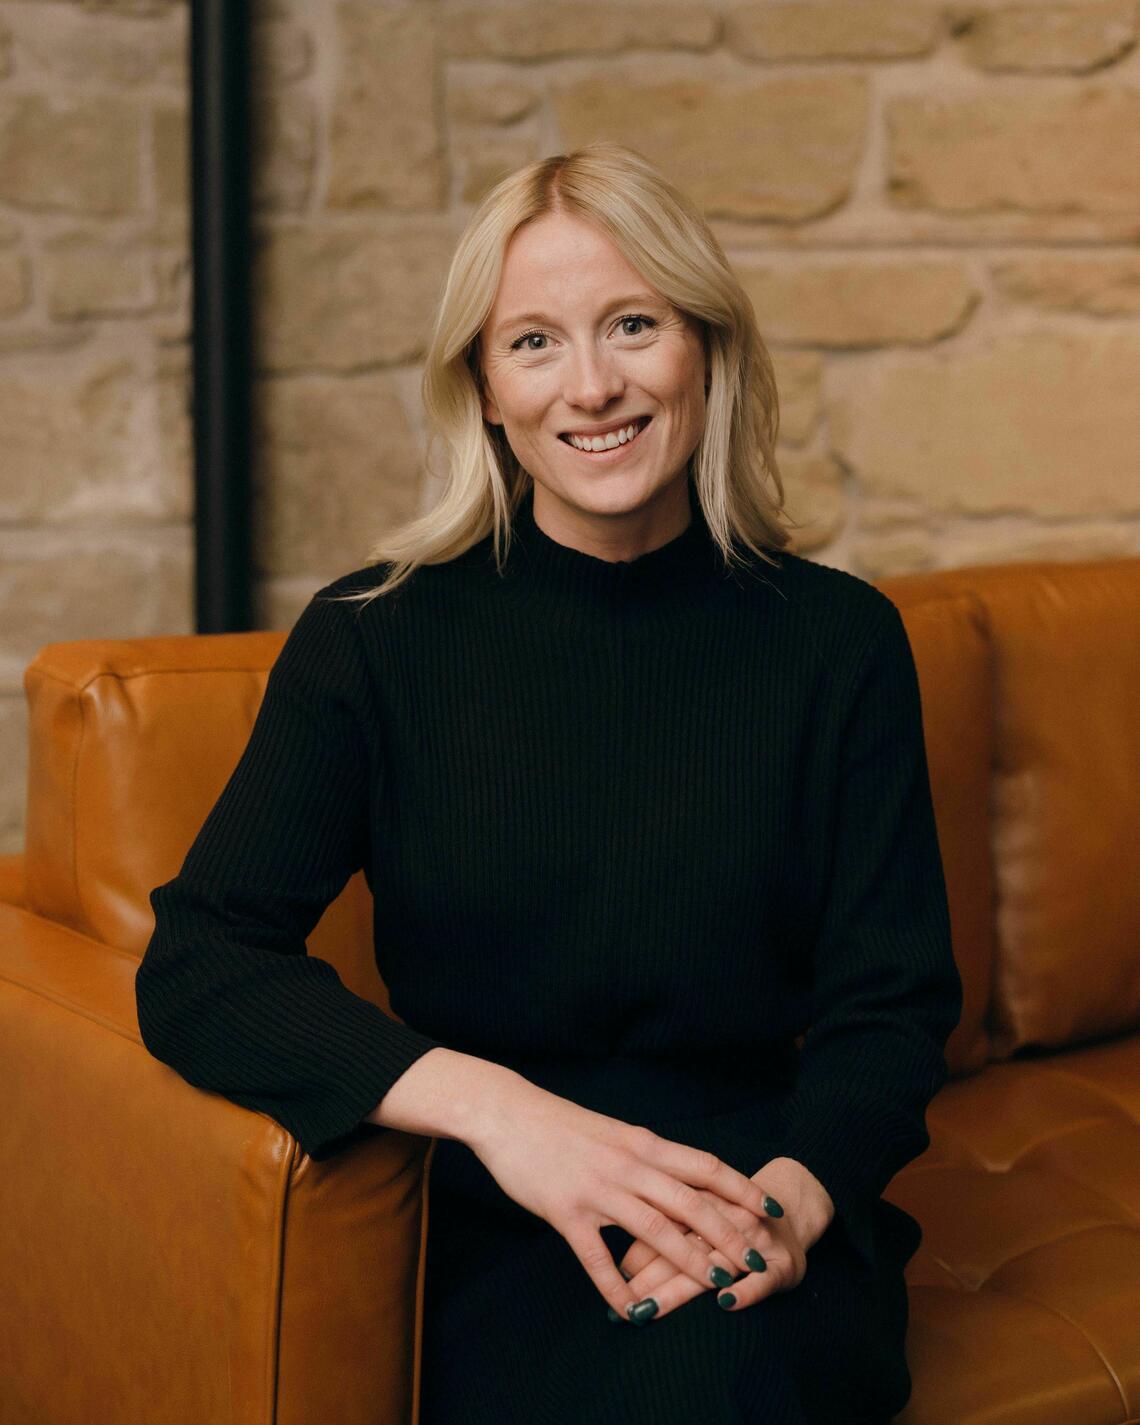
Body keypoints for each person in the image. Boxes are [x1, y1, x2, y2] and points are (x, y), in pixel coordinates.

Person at [135, 142, 963, 1424]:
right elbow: (199, 960)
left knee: (731, 1375)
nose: (593, 386)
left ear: (704, 346)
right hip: (493, 1203)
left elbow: (893, 1003)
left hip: (750, 1189)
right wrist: (504, 1116)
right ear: (483, 388)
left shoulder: (837, 641)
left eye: (632, 324)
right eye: (533, 343)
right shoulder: (375, 639)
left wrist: (789, 1201)